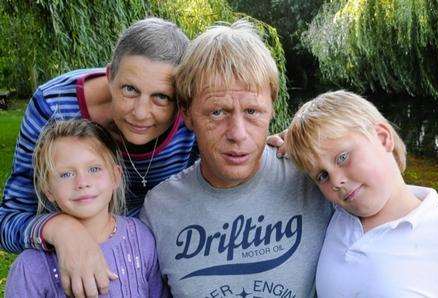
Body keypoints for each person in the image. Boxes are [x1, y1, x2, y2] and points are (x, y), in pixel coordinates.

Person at [0, 17, 195, 297]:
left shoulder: (191, 117)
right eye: (129, 89)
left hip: (150, 259)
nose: (141, 113)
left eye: (161, 97)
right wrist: (64, 231)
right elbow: (8, 219)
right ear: (109, 76)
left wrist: (279, 145)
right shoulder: (53, 107)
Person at [140, 20, 333, 297]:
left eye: (253, 112)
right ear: (187, 114)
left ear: (272, 109)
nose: (238, 134)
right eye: (217, 112)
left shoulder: (314, 179)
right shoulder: (160, 209)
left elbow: (391, 211)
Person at [285, 90, 438, 297]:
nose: (336, 181)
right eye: (323, 176)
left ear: (382, 138)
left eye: (343, 157)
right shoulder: (334, 215)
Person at [5, 119, 166, 297]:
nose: (82, 183)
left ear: (115, 176)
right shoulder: (30, 267)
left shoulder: (141, 238)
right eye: (66, 174)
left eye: (94, 169)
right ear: (48, 189)